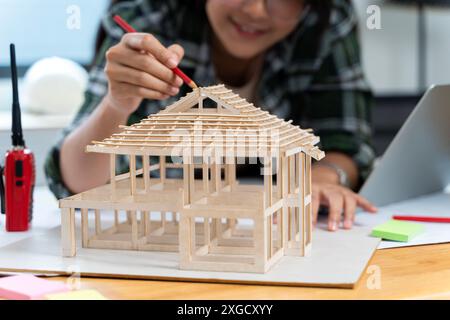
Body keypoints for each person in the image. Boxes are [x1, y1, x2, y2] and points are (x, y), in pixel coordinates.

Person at [45, 0, 378, 232]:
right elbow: (78, 185)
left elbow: (346, 140)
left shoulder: (326, 20)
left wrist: (321, 181)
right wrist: (117, 104)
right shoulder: (150, 18)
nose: (255, 10)